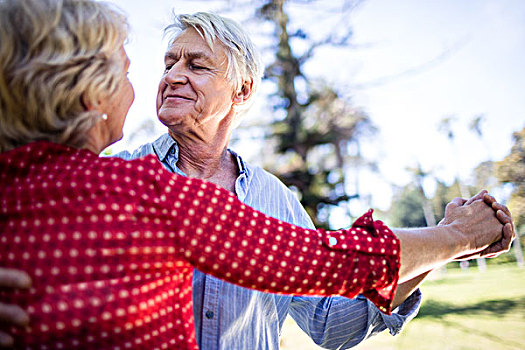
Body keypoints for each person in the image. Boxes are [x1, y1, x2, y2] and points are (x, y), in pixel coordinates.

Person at [0, 2, 514, 349]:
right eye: (168, 62)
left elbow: (333, 325)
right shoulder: (124, 180)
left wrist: (432, 255)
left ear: (242, 92)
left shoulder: (275, 198)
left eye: (197, 66)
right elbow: (328, 261)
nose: (172, 74)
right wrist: (458, 237)